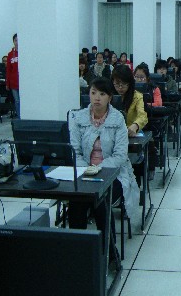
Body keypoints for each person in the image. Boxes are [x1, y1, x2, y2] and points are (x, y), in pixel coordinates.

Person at [68, 77, 139, 263]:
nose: (97, 97)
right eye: (93, 93)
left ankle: (109, 252)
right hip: (84, 172)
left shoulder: (118, 119)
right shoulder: (78, 118)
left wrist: (98, 169)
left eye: (102, 94)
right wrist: (87, 169)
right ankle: (77, 253)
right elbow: (74, 151)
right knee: (76, 200)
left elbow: (120, 156)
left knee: (102, 199)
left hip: (113, 173)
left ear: (110, 98)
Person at [112, 65, 149, 185]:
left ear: (130, 83)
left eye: (124, 84)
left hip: (130, 133)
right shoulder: (108, 96)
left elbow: (143, 116)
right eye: (117, 84)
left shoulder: (137, 96)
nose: (120, 88)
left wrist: (135, 125)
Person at [6, 33, 20, 118]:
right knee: (17, 101)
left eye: (19, 40)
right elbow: (8, 70)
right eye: (15, 40)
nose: (17, 42)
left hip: (22, 82)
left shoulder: (25, 53)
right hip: (13, 82)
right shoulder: (10, 54)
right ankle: (19, 117)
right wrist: (7, 83)